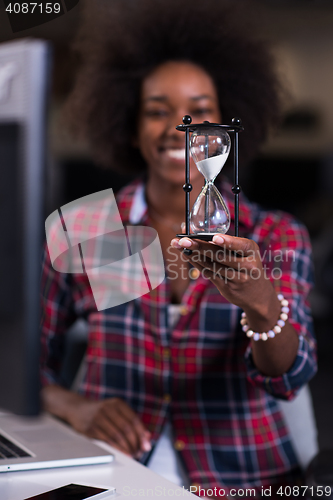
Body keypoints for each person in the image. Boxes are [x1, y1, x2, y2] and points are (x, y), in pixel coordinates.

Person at [40, 0, 317, 495]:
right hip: (112, 474)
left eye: (200, 112)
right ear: (129, 123)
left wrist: (261, 306)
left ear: (225, 128)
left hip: (244, 479)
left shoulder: (274, 234)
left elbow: (288, 376)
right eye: (157, 111)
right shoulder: (89, 226)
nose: (179, 127)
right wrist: (74, 406)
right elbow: (22, 364)